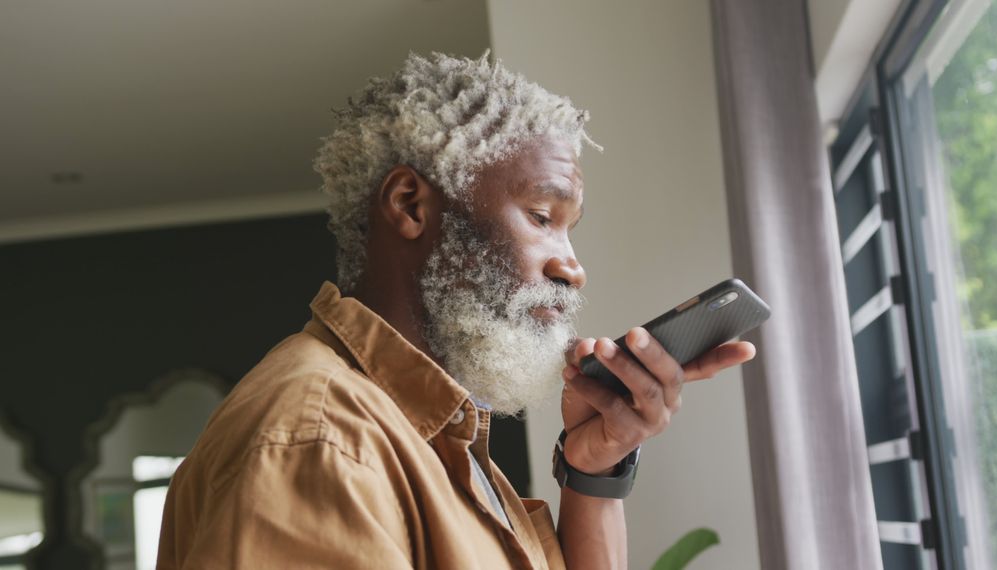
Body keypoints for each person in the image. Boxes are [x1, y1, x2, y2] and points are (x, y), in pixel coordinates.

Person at [156, 51, 756, 570]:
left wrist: (594, 470)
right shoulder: (324, 438)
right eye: (543, 218)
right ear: (411, 205)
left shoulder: (438, 436)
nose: (572, 268)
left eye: (569, 231)